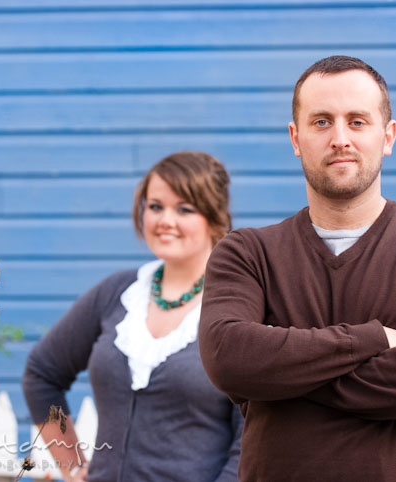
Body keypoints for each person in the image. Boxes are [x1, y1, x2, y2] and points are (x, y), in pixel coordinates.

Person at [198, 56, 396, 481]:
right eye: (321, 122)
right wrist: (372, 339)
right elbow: (230, 359)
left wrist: (282, 378)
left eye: (357, 121)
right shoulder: (247, 253)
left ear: (387, 136)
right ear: (295, 138)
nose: (340, 138)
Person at [23, 151, 241, 482]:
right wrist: (71, 465)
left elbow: (252, 435)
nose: (165, 220)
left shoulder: (238, 308)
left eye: (184, 208)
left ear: (214, 218)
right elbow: (42, 374)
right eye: (156, 206)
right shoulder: (118, 293)